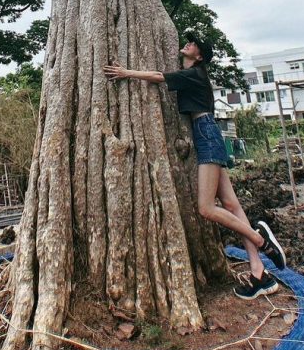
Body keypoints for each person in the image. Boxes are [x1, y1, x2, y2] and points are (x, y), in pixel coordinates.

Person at [104, 34, 287, 301]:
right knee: (231, 204)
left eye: (194, 44)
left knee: (206, 208)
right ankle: (260, 274)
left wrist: (125, 73)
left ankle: (260, 240)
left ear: (199, 56)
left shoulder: (196, 74)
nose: (188, 44)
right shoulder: (192, 74)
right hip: (207, 132)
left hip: (206, 133)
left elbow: (158, 76)